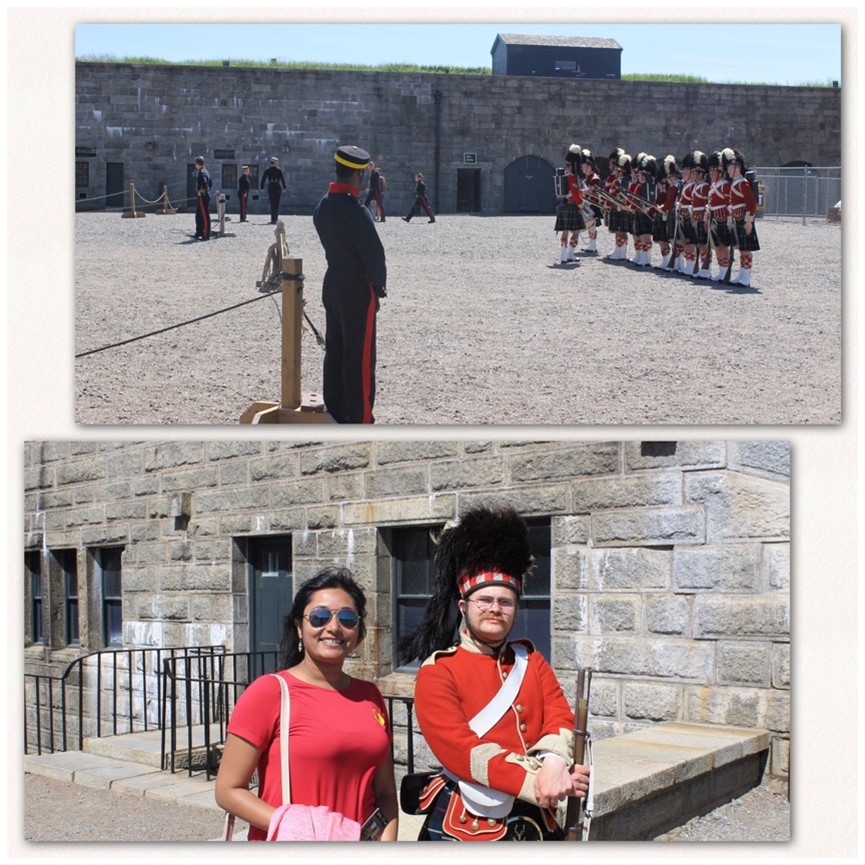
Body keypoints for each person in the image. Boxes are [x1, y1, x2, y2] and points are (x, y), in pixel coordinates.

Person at [397, 504, 591, 842]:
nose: (495, 609)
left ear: (516, 609)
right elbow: (460, 752)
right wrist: (537, 782)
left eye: (506, 601)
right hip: (470, 816)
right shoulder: (438, 671)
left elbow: (559, 715)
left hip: (537, 810)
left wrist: (556, 764)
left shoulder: (530, 659)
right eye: (484, 600)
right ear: (464, 607)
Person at [215, 567, 399, 842]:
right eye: (319, 617)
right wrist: (302, 828)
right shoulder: (269, 692)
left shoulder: (370, 695)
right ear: (299, 628)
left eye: (347, 618)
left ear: (358, 631)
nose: (334, 627)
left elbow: (384, 792)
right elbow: (228, 790)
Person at [312, 145, 387, 424]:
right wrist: (378, 288)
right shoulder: (357, 211)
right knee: (359, 356)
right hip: (357, 288)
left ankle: (336, 409)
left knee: (336, 349)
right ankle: (360, 418)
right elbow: (374, 255)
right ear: (358, 174)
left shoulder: (323, 206)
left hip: (333, 282)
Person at [722, 147, 760, 286]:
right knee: (741, 250)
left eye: (729, 167)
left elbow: (751, 202)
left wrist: (749, 221)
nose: (727, 169)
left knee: (746, 250)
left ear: (736, 167)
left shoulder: (743, 183)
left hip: (744, 219)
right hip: (737, 218)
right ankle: (741, 275)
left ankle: (746, 278)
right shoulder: (735, 183)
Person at [553, 144, 585, 263]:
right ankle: (570, 254)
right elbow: (576, 194)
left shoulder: (562, 176)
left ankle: (563, 255)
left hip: (563, 206)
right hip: (572, 206)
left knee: (565, 232)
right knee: (576, 232)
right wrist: (581, 205)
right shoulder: (572, 177)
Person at [706, 151, 734, 281]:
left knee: (723, 246)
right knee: (716, 246)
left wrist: (729, 220)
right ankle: (721, 270)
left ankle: (725, 271)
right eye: (710, 171)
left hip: (723, 217)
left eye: (714, 171)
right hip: (714, 217)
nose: (711, 173)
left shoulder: (725, 185)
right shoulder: (713, 185)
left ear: (720, 172)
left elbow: (729, 203)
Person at [260, 156, 287, 224]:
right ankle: (275, 218)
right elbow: (283, 179)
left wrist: (262, 187)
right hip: (277, 186)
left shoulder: (268, 170)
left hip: (271, 186)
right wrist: (284, 187)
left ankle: (273, 219)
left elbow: (263, 179)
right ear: (275, 163)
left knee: (273, 203)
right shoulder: (278, 170)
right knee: (276, 203)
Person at [193, 156, 212, 240]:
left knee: (205, 215)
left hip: (203, 197)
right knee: (199, 215)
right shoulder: (205, 171)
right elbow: (211, 183)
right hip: (203, 196)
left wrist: (201, 191)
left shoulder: (203, 173)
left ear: (197, 164)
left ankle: (206, 234)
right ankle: (199, 232)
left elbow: (205, 184)